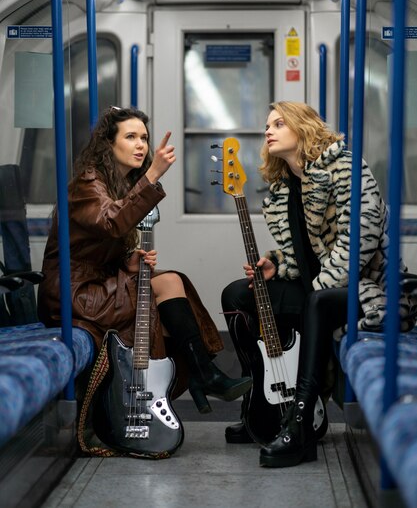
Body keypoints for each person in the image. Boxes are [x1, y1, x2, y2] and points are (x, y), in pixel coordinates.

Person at [221, 101, 416, 468]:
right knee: (236, 294)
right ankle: (262, 405)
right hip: (318, 288)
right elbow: (300, 252)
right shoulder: (283, 185)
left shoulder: (346, 168)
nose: (268, 131)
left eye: (279, 123)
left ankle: (301, 422)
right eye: (267, 125)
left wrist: (318, 286)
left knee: (318, 302)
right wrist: (276, 265)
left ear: (303, 127)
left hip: (368, 289)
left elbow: (361, 240)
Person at [38, 106, 252, 418]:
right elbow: (111, 222)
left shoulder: (118, 185)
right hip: (74, 293)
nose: (142, 145)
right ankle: (202, 375)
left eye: (145, 138)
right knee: (165, 286)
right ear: (109, 145)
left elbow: (102, 241)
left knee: (170, 280)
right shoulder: (88, 183)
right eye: (131, 137)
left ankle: (202, 375)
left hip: (95, 285)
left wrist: (130, 262)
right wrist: (152, 175)